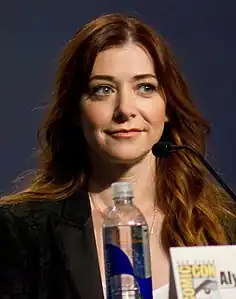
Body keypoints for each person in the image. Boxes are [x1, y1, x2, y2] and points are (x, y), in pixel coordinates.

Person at [0, 12, 235, 299]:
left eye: (145, 87)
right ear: (75, 110)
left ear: (168, 106)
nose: (125, 109)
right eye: (103, 90)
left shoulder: (220, 228)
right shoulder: (21, 231)